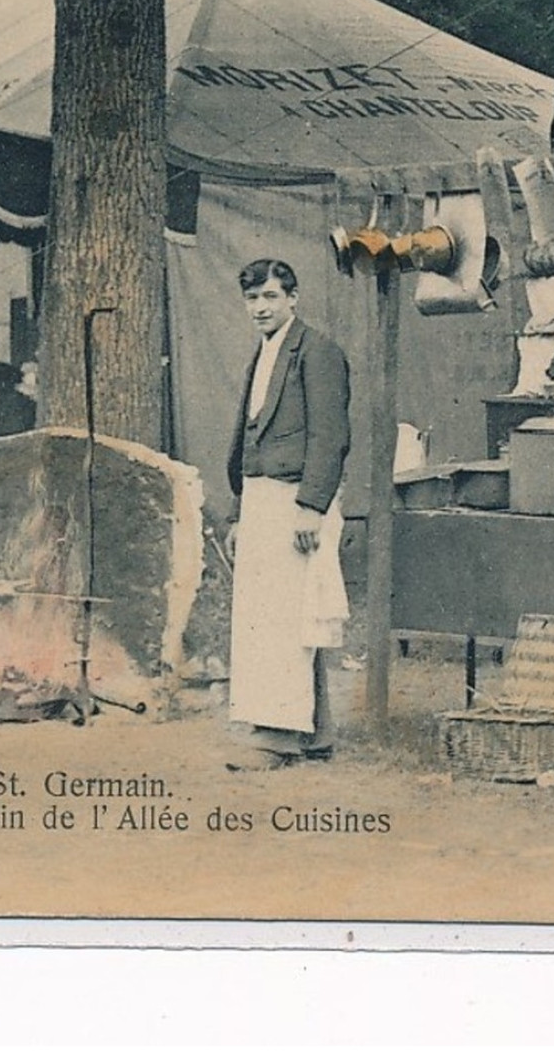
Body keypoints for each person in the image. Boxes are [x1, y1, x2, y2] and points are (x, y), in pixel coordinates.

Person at [224, 259, 351, 771]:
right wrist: (239, 513)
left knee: (282, 616)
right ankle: (314, 732)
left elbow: (330, 436)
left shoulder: (316, 352)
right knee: (275, 615)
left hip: (295, 499)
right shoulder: (264, 352)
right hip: (260, 500)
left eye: (271, 297)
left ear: (293, 299)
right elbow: (251, 440)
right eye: (253, 299)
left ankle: (278, 737)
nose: (261, 308)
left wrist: (311, 507)